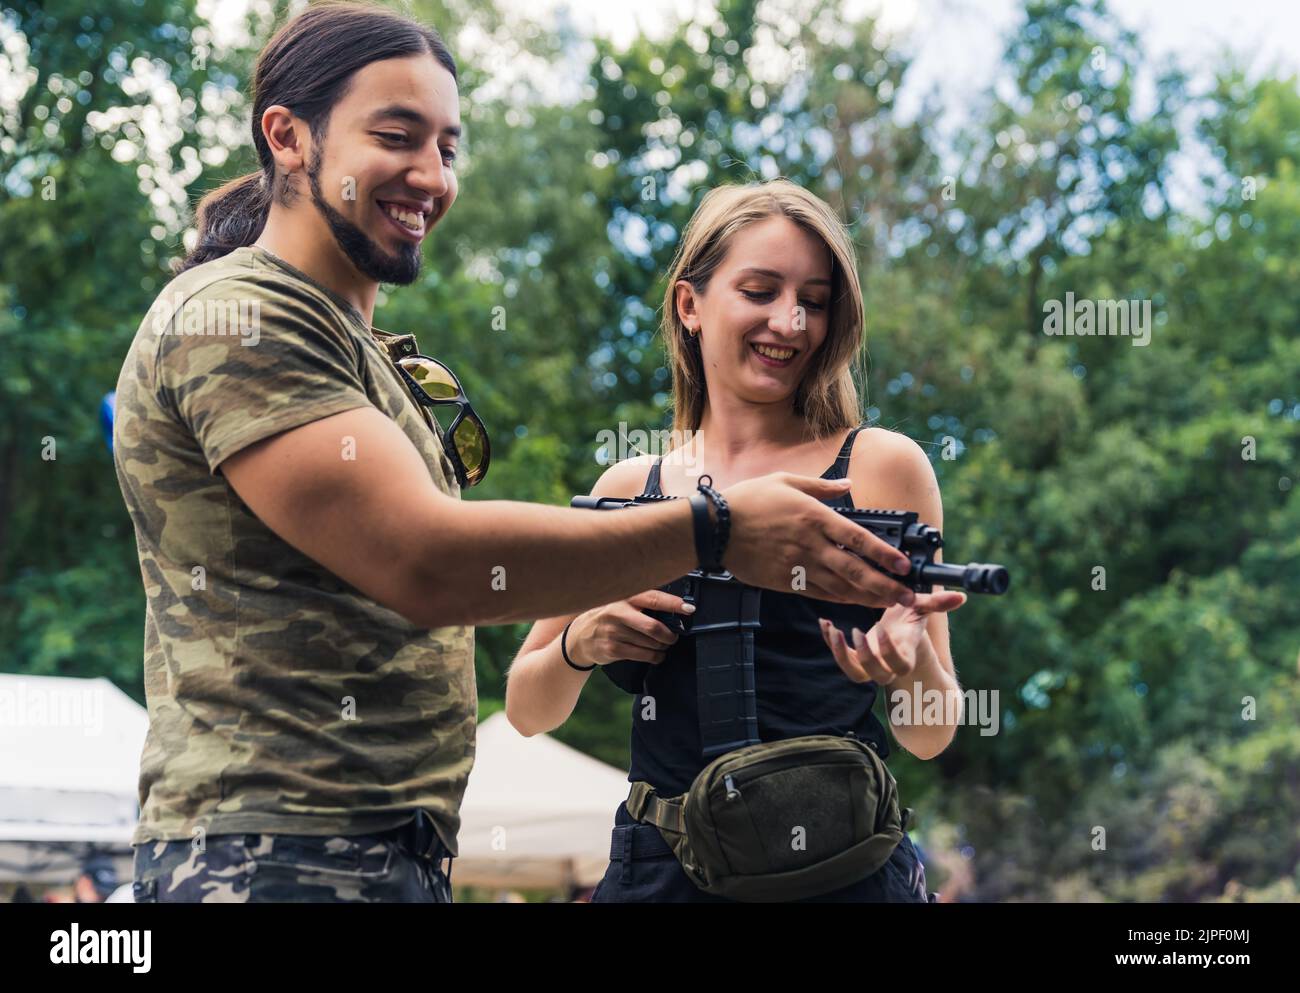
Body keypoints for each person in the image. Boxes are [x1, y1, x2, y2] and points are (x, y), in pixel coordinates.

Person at [113, 5, 916, 903]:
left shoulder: (361, 353)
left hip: (373, 848)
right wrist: (714, 532)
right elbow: (426, 561)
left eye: (448, 147)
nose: (431, 175)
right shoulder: (242, 317)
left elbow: (930, 715)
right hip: (270, 849)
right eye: (396, 136)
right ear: (288, 136)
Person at [505, 179, 966, 902]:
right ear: (689, 305)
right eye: (759, 291)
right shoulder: (630, 486)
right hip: (663, 875)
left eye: (814, 301)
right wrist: (580, 644)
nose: (790, 321)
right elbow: (527, 709)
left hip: (841, 872)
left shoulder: (882, 467)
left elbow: (930, 733)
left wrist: (908, 667)